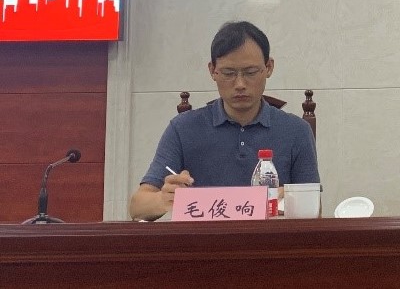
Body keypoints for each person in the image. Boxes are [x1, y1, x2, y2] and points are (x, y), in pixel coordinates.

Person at [129, 21, 319, 221]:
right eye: (229, 73)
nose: (240, 84)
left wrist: (291, 200)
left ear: (268, 67)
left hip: (270, 240)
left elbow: (314, 213)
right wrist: (163, 199)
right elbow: (137, 207)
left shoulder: (296, 131)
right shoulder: (183, 128)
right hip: (204, 241)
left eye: (250, 72)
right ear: (213, 70)